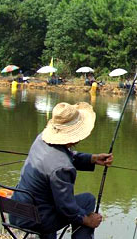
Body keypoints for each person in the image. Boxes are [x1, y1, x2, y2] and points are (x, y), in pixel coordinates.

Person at [10, 102, 113, 239]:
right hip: (35, 219)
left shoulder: (41, 139)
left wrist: (92, 159)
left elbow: (64, 155)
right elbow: (67, 209)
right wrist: (89, 220)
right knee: (87, 200)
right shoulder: (63, 168)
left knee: (50, 201)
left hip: (16, 210)